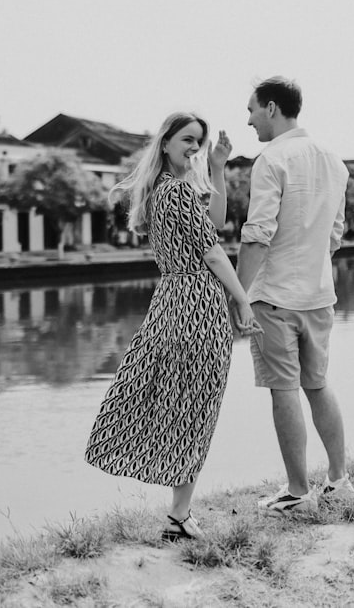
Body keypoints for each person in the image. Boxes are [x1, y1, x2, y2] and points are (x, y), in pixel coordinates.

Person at [85, 112, 261, 541]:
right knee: (196, 407)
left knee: (187, 404)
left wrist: (218, 167)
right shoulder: (177, 191)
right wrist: (242, 301)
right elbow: (215, 252)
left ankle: (179, 512)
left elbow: (214, 223)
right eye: (187, 140)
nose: (194, 148)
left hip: (172, 302)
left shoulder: (164, 190)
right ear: (165, 142)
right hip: (197, 304)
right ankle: (179, 514)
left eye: (198, 142)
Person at [236, 76, 354, 514]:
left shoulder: (271, 159)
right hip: (319, 295)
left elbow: (257, 234)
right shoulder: (334, 161)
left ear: (270, 108)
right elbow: (335, 236)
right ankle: (340, 479)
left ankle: (297, 490)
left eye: (251, 110)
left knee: (283, 390)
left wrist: (238, 294)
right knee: (319, 385)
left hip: (275, 297)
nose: (248, 120)